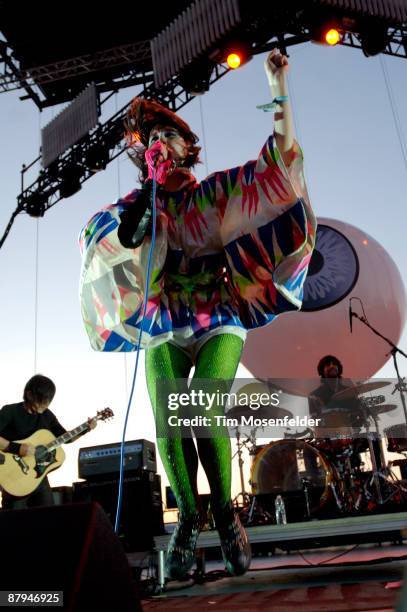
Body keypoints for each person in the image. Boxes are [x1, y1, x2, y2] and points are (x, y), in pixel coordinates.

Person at [79, 49, 316, 579]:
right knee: (168, 417)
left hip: (218, 316)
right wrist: (149, 190)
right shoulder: (140, 203)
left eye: (169, 137)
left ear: (189, 148)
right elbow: (119, 240)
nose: (160, 144)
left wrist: (278, 90)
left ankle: (227, 518)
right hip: (165, 320)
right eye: (151, 141)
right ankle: (188, 519)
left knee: (200, 411)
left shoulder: (218, 192)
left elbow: (279, 166)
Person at [0, 374, 97, 509]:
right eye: (42, 400)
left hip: (38, 477)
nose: (45, 405)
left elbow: (65, 438)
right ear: (29, 394)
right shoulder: (10, 411)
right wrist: (16, 448)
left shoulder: (47, 416)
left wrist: (86, 429)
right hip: (13, 478)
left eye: (48, 401)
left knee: (49, 519)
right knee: (14, 524)